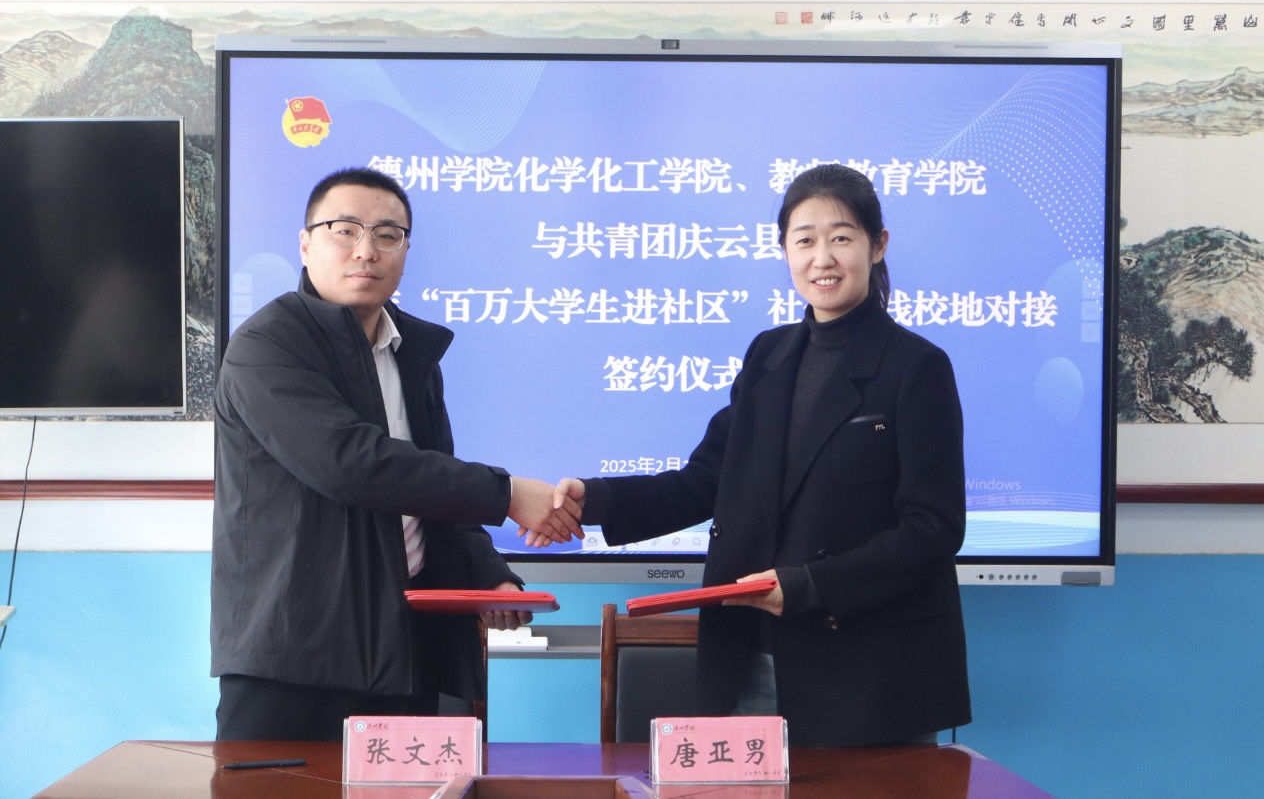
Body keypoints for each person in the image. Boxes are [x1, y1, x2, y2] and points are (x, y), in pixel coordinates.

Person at [545, 164, 971, 747]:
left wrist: (809, 585)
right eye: (805, 240)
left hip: (866, 672)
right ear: (785, 252)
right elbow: (704, 481)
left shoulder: (916, 366)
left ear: (878, 246)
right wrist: (592, 500)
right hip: (747, 657)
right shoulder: (768, 356)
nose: (822, 258)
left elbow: (933, 528)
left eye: (841, 237)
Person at [211, 166, 582, 741]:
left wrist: (491, 579)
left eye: (388, 235)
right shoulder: (267, 344)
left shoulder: (411, 353)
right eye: (344, 230)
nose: (366, 250)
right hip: (296, 658)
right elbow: (350, 463)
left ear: (405, 251)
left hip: (406, 644)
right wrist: (507, 494)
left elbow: (430, 492)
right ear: (305, 243)